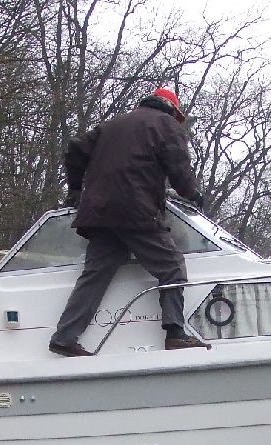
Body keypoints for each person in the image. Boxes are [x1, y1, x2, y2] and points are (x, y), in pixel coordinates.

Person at [49, 87, 210, 357]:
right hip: (136, 210)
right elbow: (178, 166)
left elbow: (75, 149)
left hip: (100, 213)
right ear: (172, 110)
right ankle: (175, 333)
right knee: (172, 266)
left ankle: (64, 337)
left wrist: (75, 189)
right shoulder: (166, 124)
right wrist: (192, 193)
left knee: (95, 275)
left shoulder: (112, 125)